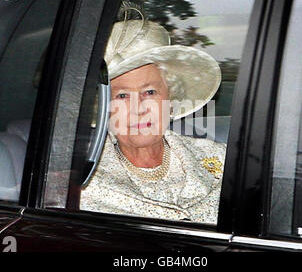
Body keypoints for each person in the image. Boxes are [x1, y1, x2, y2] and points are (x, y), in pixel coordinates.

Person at [80, 16, 226, 224]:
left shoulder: (221, 158)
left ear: (170, 99)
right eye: (122, 96)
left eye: (149, 92)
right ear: (104, 108)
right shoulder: (81, 180)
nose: (139, 109)